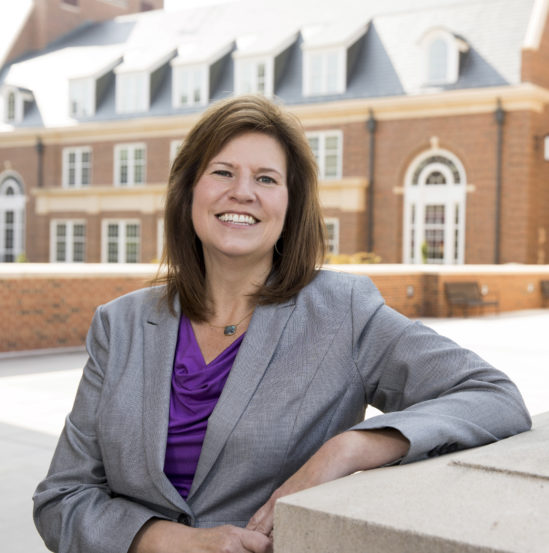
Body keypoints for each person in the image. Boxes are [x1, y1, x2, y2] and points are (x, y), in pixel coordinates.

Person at [33, 95, 531, 553]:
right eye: (222, 172)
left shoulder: (342, 312)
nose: (242, 193)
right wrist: (170, 541)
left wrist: (351, 447)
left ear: (291, 207)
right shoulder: (119, 325)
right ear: (188, 191)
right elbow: (61, 498)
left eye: (266, 179)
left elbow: (493, 395)